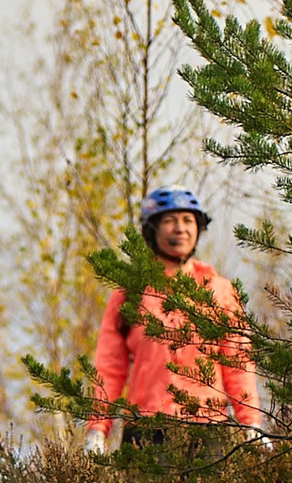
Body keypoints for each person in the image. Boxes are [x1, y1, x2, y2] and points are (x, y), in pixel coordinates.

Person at [84, 186, 262, 456]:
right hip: (146, 429)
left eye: (188, 220)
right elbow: (109, 367)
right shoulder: (129, 293)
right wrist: (97, 428)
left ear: (199, 228)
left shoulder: (220, 292)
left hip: (209, 430)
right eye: (169, 221)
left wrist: (251, 424)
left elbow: (238, 364)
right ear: (151, 230)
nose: (180, 229)